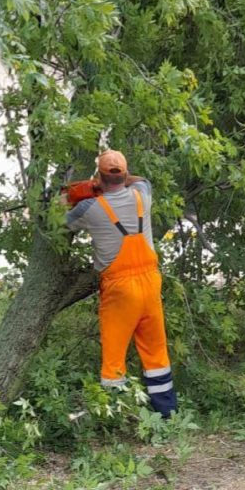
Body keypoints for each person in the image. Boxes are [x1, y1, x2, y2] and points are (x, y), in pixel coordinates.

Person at [65, 150, 177, 418]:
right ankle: (167, 415)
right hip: (150, 284)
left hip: (119, 290)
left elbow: (58, 224)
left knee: (114, 357)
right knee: (156, 353)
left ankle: (115, 415)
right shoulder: (143, 196)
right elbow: (143, 179)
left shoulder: (88, 209)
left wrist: (84, 190)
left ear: (99, 177)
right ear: (126, 175)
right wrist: (111, 181)